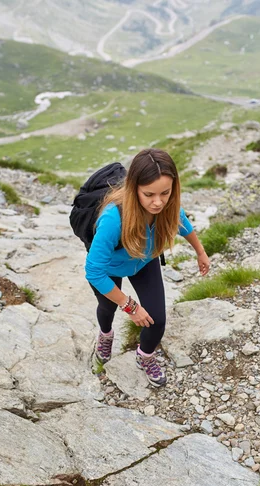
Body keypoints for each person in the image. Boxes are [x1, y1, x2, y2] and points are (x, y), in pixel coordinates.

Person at [85, 148, 210, 387]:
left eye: (165, 193)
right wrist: (130, 306)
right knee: (108, 307)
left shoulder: (168, 205)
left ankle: (145, 356)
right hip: (110, 268)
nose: (158, 202)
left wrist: (200, 252)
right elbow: (94, 271)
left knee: (157, 319)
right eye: (149, 194)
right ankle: (106, 334)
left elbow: (182, 222)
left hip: (145, 259)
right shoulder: (113, 219)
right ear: (134, 189)